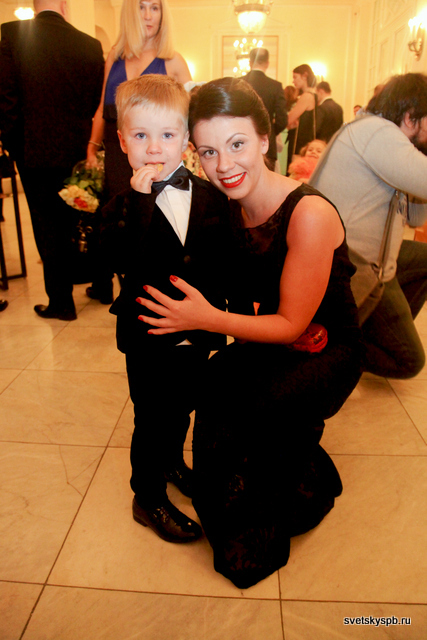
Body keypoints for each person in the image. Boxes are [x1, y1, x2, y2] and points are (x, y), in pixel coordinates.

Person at [136, 77, 363, 588]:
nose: (224, 165)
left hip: (324, 347)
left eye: (237, 144)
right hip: (269, 333)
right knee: (217, 383)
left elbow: (293, 324)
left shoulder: (308, 213)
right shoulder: (224, 203)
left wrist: (203, 319)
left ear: (265, 139)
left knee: (253, 402)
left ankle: (270, 516)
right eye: (209, 151)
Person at [99, 74, 230, 544]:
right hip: (149, 336)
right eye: (141, 135)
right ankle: (147, 495)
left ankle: (173, 463)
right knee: (152, 418)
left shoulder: (211, 196)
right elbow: (114, 258)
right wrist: (139, 204)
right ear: (122, 141)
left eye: (167, 135)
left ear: (186, 138)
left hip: (198, 331)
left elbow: (221, 258)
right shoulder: (119, 206)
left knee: (183, 408)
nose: (154, 148)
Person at [310, 73, 427, 378]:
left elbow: (415, 218)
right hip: (351, 264)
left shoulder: (388, 141)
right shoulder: (377, 132)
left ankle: (373, 327)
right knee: (409, 361)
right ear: (410, 117)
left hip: (371, 261)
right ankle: (345, 353)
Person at [0, 0, 104, 321]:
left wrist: (15, 146)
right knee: (82, 217)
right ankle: (100, 283)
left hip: (35, 151)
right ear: (64, 6)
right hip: (79, 150)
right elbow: (95, 102)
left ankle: (61, 301)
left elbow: (5, 98)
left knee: (48, 226)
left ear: (34, 6)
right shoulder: (90, 45)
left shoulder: (11, 35)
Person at [85, 0, 191, 305]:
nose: (148, 15)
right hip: (117, 152)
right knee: (121, 218)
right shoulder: (114, 56)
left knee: (156, 216)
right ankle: (128, 286)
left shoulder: (173, 61)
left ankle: (159, 289)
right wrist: (92, 147)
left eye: (155, 8)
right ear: (130, 12)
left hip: (159, 155)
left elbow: (189, 115)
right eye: (142, 7)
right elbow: (102, 108)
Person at [244, 48, 288, 170]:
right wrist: (270, 132)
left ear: (250, 62)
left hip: (241, 144)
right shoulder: (275, 86)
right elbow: (282, 120)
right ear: (267, 64)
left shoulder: (238, 82)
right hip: (267, 144)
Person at [286, 64, 317, 161]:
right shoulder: (314, 94)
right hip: (306, 141)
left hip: (301, 143)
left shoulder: (307, 96)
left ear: (305, 76)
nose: (293, 81)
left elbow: (288, 119)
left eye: (295, 77)